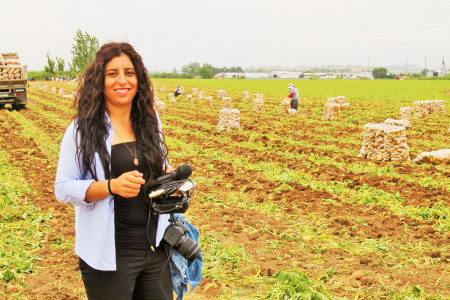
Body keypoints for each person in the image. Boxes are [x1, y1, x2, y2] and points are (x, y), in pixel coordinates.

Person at [54, 42, 200, 300]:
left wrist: (165, 176)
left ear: (139, 78)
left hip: (156, 248)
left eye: (129, 72)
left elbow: (157, 164)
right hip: (109, 258)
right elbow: (63, 187)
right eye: (112, 73)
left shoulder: (150, 120)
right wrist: (112, 186)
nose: (122, 80)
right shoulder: (81, 129)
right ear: (100, 79)